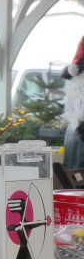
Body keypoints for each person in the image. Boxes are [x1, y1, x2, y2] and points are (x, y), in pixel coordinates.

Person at [61, 36, 84, 168]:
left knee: (73, 174)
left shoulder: (75, 75)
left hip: (75, 129)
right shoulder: (77, 76)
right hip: (78, 130)